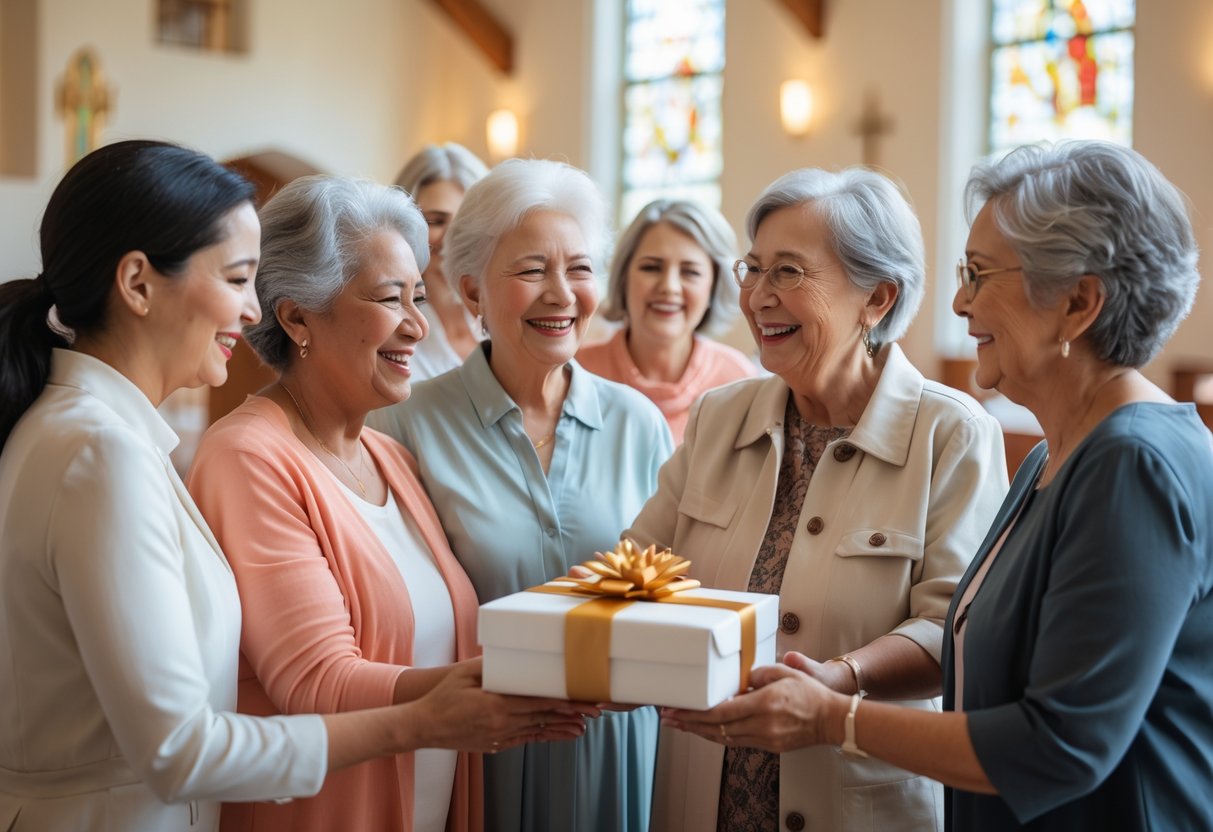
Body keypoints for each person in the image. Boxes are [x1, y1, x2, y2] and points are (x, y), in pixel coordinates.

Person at [0, 141, 585, 832]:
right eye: (237, 278)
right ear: (137, 284)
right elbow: (177, 747)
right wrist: (422, 720)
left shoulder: (111, 438)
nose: (252, 310)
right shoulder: (102, 453)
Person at [662, 142, 1213, 830]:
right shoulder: (1053, 456)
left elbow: (1059, 744)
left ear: (1077, 302)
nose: (957, 301)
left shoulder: (1134, 464)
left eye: (978, 275)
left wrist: (835, 715)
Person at [187, 175, 593, 832]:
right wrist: (489, 689)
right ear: (296, 318)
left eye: (416, 296)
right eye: (387, 298)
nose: (417, 325)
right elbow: (316, 682)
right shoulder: (247, 456)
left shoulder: (389, 457)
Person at [624, 166, 1009, 831]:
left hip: (857, 801)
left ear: (876, 298)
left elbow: (955, 631)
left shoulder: (952, 434)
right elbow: (637, 567)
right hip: (699, 795)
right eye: (753, 268)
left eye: (789, 273)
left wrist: (839, 680)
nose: (757, 296)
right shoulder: (719, 417)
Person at [374, 158, 674, 832]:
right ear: (472, 289)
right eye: (532, 269)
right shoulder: (403, 425)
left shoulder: (638, 423)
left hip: (619, 748)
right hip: (478, 754)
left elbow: (676, 585)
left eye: (580, 269)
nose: (561, 294)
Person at [577, 199, 757, 441]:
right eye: (651, 267)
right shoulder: (577, 373)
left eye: (690, 272)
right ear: (624, 277)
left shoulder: (738, 382)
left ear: (713, 286)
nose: (669, 287)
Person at [386, 142, 488, 383]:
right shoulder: (387, 328)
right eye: (436, 221)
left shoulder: (505, 321)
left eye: (466, 222)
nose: (453, 238)